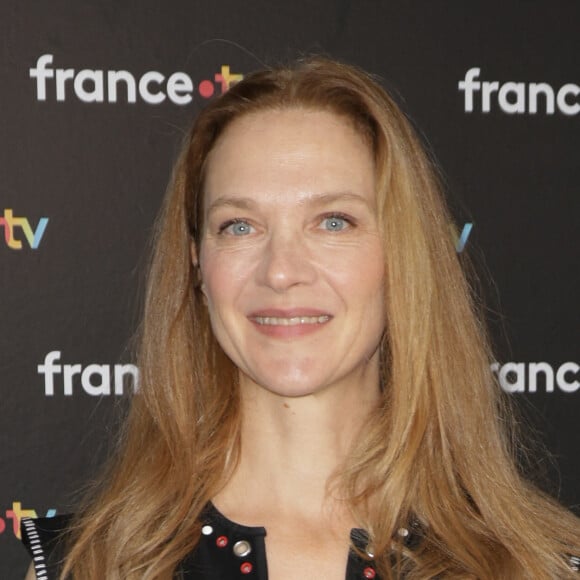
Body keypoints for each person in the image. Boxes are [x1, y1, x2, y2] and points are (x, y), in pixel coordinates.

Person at [22, 56, 580, 579]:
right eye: (239, 226)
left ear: (402, 254)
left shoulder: (539, 563)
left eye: (333, 221)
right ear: (197, 261)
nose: (282, 271)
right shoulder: (91, 562)